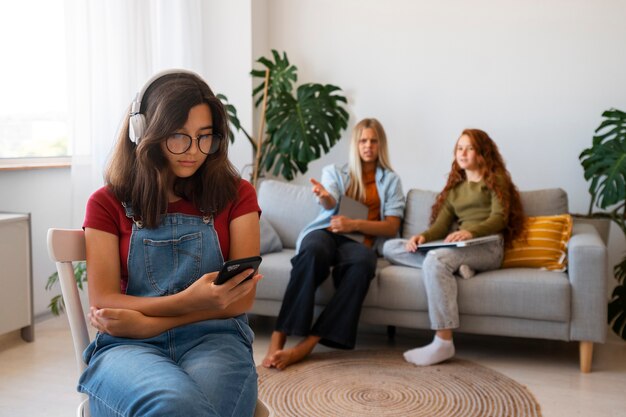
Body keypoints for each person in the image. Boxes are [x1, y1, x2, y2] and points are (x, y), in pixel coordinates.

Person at [80, 69, 262, 417]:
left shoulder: (238, 195)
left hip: (216, 339)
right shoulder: (105, 203)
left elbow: (244, 297)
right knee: (176, 405)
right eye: (179, 136)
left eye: (205, 137)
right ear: (143, 132)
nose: (194, 151)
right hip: (126, 345)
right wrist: (191, 301)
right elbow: (103, 300)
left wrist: (149, 322)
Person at [262, 118, 405, 370]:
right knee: (313, 251)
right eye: (363, 140)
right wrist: (326, 197)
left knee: (363, 264)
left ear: (381, 144)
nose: (368, 146)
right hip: (326, 232)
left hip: (359, 242)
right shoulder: (336, 172)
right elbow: (329, 202)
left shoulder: (391, 180)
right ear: (355, 144)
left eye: (373, 141)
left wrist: (354, 225)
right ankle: (279, 336)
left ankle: (306, 346)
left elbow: (392, 226)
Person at [383, 128, 525, 366]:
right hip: (460, 247)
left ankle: (443, 341)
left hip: (488, 246)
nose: (463, 153)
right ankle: (458, 267)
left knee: (436, 260)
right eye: (460, 148)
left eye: (470, 148)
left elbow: (499, 218)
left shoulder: (495, 179)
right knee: (391, 247)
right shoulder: (455, 189)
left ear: (482, 153)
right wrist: (421, 237)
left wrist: (471, 231)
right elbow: (440, 228)